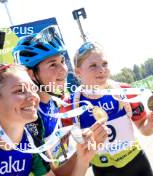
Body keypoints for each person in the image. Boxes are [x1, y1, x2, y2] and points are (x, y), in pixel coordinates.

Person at [12, 26, 108, 173]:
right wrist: (83, 153)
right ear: (31, 75)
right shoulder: (28, 119)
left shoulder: (54, 102)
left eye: (62, 61)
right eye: (52, 64)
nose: (64, 69)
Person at [71, 41, 153, 176]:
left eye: (104, 64)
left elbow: (144, 130)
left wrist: (152, 124)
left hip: (137, 164)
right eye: (93, 65)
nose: (101, 70)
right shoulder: (70, 105)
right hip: (103, 170)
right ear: (78, 72)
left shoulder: (125, 91)